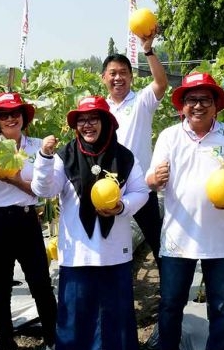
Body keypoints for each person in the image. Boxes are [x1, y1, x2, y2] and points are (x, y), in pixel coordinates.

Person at [147, 72, 224, 350]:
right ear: (182, 105)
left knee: (221, 306)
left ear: (216, 104)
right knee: (171, 304)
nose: (198, 105)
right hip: (177, 239)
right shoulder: (169, 136)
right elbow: (151, 177)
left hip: (220, 240)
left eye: (205, 99)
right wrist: (155, 179)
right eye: (191, 99)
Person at [31, 96, 149, 350]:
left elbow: (141, 192)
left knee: (114, 321)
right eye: (82, 120)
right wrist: (44, 158)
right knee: (75, 321)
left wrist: (122, 207)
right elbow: (45, 189)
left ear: (106, 122)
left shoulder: (125, 157)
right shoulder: (65, 156)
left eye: (94, 119)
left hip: (114, 254)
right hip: (77, 254)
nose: (87, 125)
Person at [0, 92, 56, 350]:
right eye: (3, 114)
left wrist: (14, 179)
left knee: (40, 282)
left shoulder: (38, 147)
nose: (10, 118)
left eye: (15, 112)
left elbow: (43, 191)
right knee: (0, 286)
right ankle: (5, 342)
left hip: (26, 219)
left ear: (23, 117)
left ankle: (53, 338)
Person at [102, 26, 168, 268]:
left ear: (131, 77)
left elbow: (161, 84)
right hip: (106, 188)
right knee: (108, 245)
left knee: (159, 245)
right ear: (104, 78)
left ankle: (168, 300)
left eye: (123, 73)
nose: (118, 78)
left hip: (142, 187)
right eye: (112, 73)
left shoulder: (141, 101)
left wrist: (148, 50)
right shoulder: (100, 110)